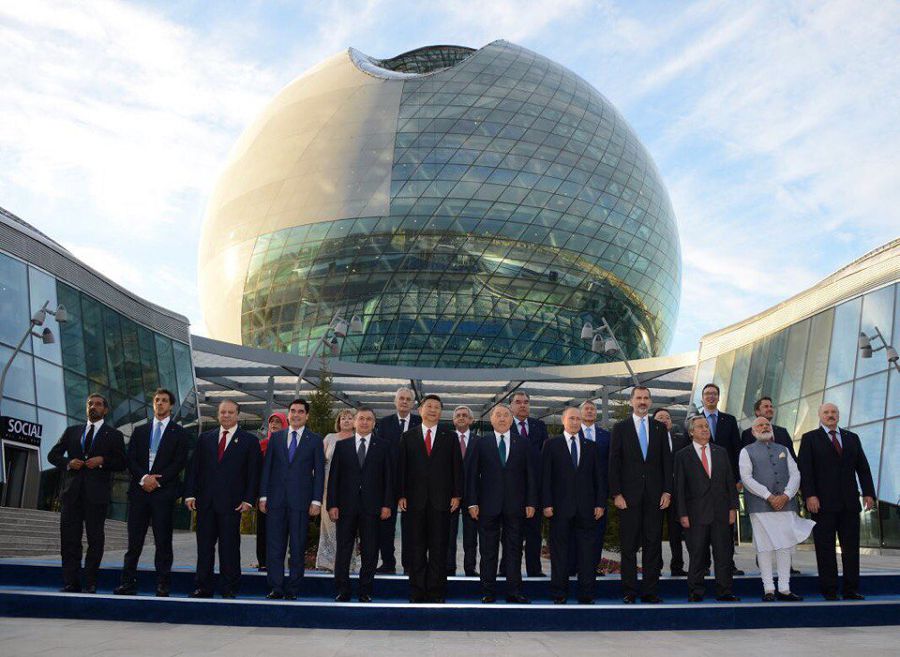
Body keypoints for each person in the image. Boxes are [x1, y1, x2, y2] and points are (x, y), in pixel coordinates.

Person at [48, 393, 126, 593]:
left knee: (95, 540)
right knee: (69, 540)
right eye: (90, 404)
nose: (93, 407)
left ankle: (90, 582)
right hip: (71, 495)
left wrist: (102, 461)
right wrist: (67, 463)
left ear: (105, 410)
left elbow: (122, 463)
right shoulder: (72, 431)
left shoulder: (114, 435)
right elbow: (52, 455)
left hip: (97, 496)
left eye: (98, 404)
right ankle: (70, 582)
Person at [115, 388, 189, 597]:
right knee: (134, 542)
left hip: (163, 494)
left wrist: (157, 481)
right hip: (139, 493)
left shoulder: (180, 433)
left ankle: (163, 584)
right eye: (157, 400)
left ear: (171, 405)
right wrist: (143, 478)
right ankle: (127, 583)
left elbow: (179, 462)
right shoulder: (140, 431)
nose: (160, 403)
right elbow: (131, 459)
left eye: (164, 401)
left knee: (163, 542)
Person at [798, 403, 876, 601]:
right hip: (822, 504)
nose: (830, 415)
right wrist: (810, 495)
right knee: (825, 549)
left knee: (851, 549)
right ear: (820, 416)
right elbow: (805, 471)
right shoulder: (810, 439)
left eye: (833, 412)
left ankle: (851, 589)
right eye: (826, 412)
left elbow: (863, 468)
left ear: (838, 416)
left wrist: (869, 493)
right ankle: (829, 589)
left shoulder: (852, 438)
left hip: (849, 503)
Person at [184, 399, 260, 599]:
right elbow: (194, 469)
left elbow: (253, 474)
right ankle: (203, 586)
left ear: (238, 415)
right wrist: (190, 494)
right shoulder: (205, 439)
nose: (226, 415)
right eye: (222, 412)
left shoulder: (249, 441)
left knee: (229, 548)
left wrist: (248, 500)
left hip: (232, 504)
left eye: (230, 412)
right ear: (218, 415)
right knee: (205, 547)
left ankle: (229, 587)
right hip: (205, 502)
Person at [467, 404, 535, 603]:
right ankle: (487, 591)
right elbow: (471, 475)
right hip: (487, 506)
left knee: (514, 550)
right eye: (498, 415)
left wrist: (531, 502)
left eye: (506, 415)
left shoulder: (523, 443)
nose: (503, 418)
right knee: (488, 551)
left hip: (516, 506)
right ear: (491, 419)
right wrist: (472, 502)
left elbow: (530, 475)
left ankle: (514, 592)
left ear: (512, 419)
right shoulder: (481, 443)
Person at [609, 386, 671, 604]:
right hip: (628, 498)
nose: (642, 402)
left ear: (650, 402)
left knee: (653, 544)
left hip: (655, 497)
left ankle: (650, 591)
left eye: (646, 398)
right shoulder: (620, 428)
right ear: (631, 401)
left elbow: (666, 462)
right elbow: (614, 463)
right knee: (628, 546)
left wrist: (667, 491)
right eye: (638, 398)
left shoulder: (659, 428)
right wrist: (616, 493)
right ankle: (629, 591)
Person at [397, 394, 462, 603]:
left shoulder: (449, 437)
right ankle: (417, 591)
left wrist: (457, 494)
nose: (433, 410)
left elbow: (457, 468)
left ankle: (436, 592)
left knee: (438, 549)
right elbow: (402, 468)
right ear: (420, 410)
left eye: (437, 407)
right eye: (429, 406)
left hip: (442, 502)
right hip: (414, 502)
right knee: (416, 548)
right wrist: (401, 494)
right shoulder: (408, 437)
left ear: (441, 412)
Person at [740, 416, 813, 602]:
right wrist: (769, 496)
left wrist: (787, 495)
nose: (764, 427)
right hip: (761, 506)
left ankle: (785, 588)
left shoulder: (784, 450)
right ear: (753, 431)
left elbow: (796, 474)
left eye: (767, 425)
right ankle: (768, 589)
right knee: (764, 548)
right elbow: (746, 479)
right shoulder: (746, 451)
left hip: (785, 505)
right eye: (760, 425)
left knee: (785, 546)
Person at [258, 398, 325, 600]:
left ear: (307, 415)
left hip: (301, 503)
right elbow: (267, 469)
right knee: (275, 547)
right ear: (288, 415)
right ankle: (276, 588)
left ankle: (293, 589)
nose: (296, 414)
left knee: (297, 547)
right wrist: (263, 496)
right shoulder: (276, 438)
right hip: (276, 502)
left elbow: (319, 472)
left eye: (300, 411)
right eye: (293, 411)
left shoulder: (314, 440)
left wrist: (316, 501)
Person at [328, 407, 392, 602]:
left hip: (372, 508)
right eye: (361, 419)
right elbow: (334, 478)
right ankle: (342, 590)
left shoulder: (383, 446)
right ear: (355, 422)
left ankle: (365, 590)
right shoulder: (342, 446)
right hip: (346, 507)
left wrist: (387, 504)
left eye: (369, 419)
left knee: (370, 550)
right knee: (344, 550)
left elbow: (389, 478)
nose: (364, 422)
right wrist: (332, 504)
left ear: (374, 423)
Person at [543, 406, 606, 604]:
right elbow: (545, 478)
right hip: (559, 509)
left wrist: (600, 503)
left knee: (587, 553)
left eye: (578, 419)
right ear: (563, 420)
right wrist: (546, 503)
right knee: (560, 553)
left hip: (587, 509)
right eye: (571, 418)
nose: (575, 422)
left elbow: (599, 479)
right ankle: (559, 593)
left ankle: (586, 594)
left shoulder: (591, 446)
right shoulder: (551, 445)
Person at [675, 416, 740, 602]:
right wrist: (682, 514)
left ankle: (725, 591)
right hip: (695, 515)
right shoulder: (682, 455)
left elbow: (730, 482)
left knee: (724, 555)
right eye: (700, 427)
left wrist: (733, 508)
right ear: (691, 432)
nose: (705, 429)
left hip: (721, 513)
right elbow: (679, 487)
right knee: (697, 555)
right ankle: (696, 592)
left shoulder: (721, 452)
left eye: (706, 426)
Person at [698, 383, 744, 575]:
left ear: (719, 397)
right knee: (703, 524)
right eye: (707, 394)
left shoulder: (729, 420)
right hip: (700, 483)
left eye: (714, 394)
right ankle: (704, 564)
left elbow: (737, 450)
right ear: (702, 398)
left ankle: (728, 564)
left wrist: (738, 478)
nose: (711, 397)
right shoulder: (695, 420)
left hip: (726, 482)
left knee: (727, 525)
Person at [374, 387, 421, 574]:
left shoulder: (420, 422)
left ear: (413, 404)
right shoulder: (384, 424)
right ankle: (388, 563)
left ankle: (409, 564)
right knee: (386, 526)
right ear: (395, 402)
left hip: (413, 485)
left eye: (408, 399)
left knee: (411, 527)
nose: (404, 401)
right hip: (388, 483)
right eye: (401, 398)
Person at [509, 391, 549, 577]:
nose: (523, 405)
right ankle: (508, 570)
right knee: (510, 534)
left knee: (534, 533)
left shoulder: (539, 426)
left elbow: (545, 455)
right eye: (518, 402)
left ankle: (534, 570)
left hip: (535, 489)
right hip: (512, 490)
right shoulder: (505, 426)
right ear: (511, 406)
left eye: (526, 402)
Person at [317, 409, 357, 572]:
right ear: (338, 422)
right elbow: (319, 463)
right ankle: (327, 563)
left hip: (350, 490)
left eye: (350, 418)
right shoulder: (329, 438)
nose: (346, 421)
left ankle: (348, 563)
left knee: (349, 527)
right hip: (328, 489)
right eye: (343, 418)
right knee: (328, 526)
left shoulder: (358, 440)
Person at [654, 407, 690, 577]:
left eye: (667, 417)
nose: (664, 420)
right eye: (660, 417)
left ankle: (677, 566)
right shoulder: (648, 441)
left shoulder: (681, 440)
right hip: (655, 493)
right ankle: (656, 566)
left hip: (677, 493)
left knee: (676, 532)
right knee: (655, 531)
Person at [576, 399, 610, 575]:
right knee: (576, 533)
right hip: (576, 493)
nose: (589, 411)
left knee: (597, 533)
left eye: (592, 409)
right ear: (580, 413)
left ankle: (592, 567)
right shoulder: (572, 434)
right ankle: (575, 566)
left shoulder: (606, 436)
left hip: (599, 493)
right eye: (586, 409)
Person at [448, 405, 479, 577]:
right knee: (449, 534)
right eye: (458, 415)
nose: (461, 417)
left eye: (465, 415)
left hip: (472, 495)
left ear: (471, 420)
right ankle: (449, 567)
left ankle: (470, 568)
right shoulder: (446, 439)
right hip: (450, 496)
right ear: (453, 420)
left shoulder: (479, 442)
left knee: (471, 537)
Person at [256, 411, 287, 572]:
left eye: (278, 422)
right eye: (272, 422)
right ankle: (263, 562)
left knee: (280, 531)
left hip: (283, 496)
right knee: (263, 530)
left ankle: (276, 563)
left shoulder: (289, 445)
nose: (274, 425)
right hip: (264, 495)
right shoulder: (261, 445)